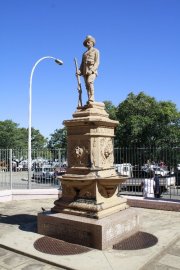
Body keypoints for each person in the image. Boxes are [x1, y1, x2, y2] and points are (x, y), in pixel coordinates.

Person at [77, 35, 100, 103]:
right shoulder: (84, 54)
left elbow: (97, 62)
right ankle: (89, 99)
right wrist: (79, 71)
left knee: (90, 82)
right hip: (85, 71)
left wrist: (92, 70)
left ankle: (92, 96)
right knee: (87, 86)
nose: (87, 43)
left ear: (92, 42)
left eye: (88, 42)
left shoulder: (96, 51)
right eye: (86, 42)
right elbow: (82, 64)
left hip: (92, 70)